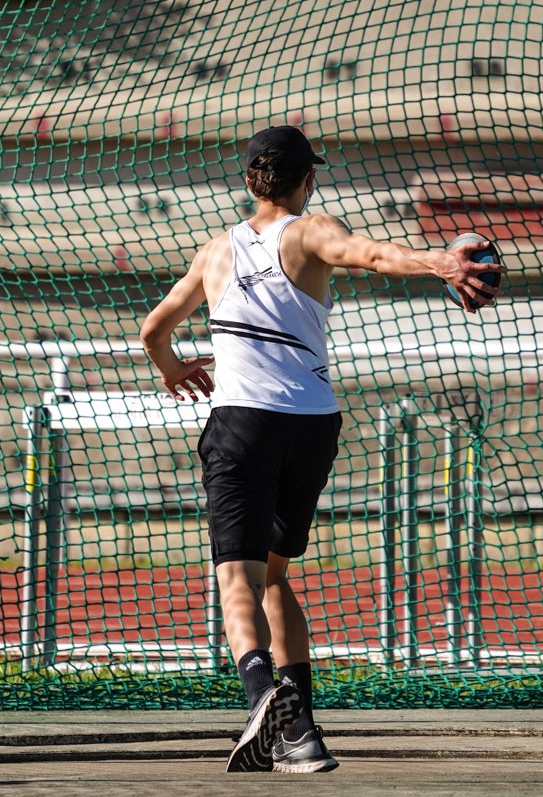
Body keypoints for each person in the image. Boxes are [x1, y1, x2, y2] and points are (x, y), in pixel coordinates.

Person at [139, 125, 503, 774]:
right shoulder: (309, 232)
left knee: (237, 578)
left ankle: (261, 696)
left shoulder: (216, 251)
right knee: (274, 574)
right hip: (311, 425)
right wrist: (442, 263)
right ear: (308, 180)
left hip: (242, 425)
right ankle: (300, 733)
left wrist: (171, 369)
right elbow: (370, 253)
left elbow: (153, 329)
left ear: (251, 179)